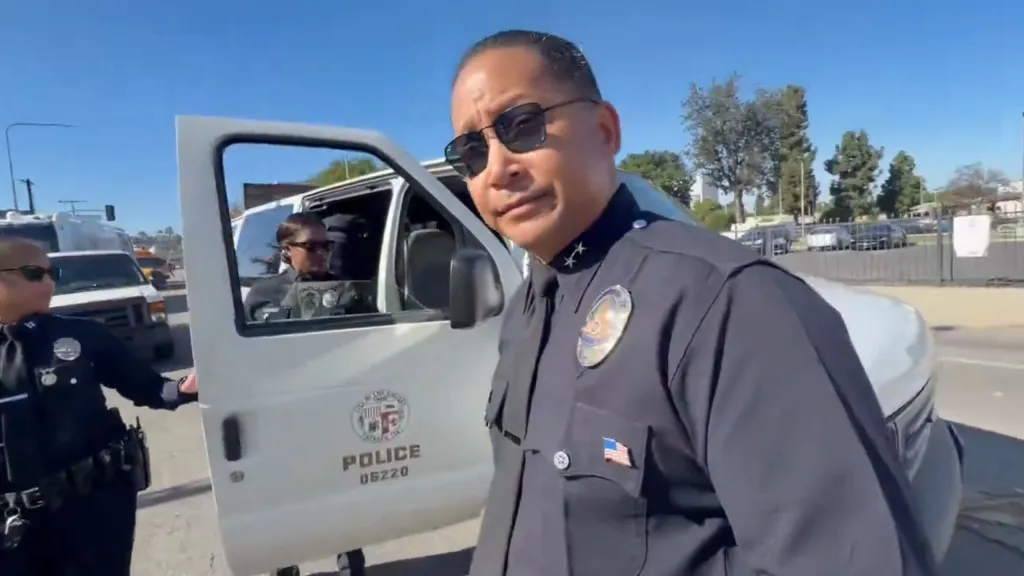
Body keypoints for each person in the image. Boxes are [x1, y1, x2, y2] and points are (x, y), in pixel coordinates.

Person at [447, 30, 941, 576]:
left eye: (521, 125)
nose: (496, 168)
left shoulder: (728, 303)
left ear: (606, 130)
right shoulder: (526, 311)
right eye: (471, 152)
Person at [0, 238, 199, 576]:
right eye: (35, 273)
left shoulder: (84, 335)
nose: (49, 282)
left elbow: (151, 388)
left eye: (53, 273)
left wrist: (184, 388)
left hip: (92, 511)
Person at [243, 212, 377, 322]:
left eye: (326, 246)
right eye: (311, 247)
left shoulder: (345, 288)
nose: (322, 253)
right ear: (287, 250)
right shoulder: (264, 293)